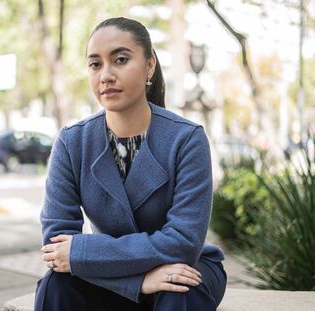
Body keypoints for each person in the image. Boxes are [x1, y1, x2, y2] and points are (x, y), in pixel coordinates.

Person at [34, 16, 227, 311]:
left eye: (120, 60)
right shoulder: (72, 142)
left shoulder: (187, 139)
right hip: (109, 272)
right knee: (55, 285)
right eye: (95, 64)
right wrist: (137, 282)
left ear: (149, 65)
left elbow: (183, 242)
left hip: (185, 267)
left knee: (179, 288)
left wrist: (84, 251)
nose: (106, 75)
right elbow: (56, 248)